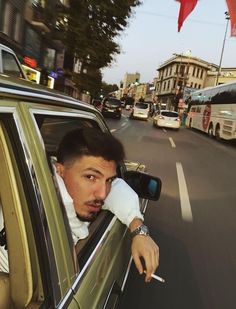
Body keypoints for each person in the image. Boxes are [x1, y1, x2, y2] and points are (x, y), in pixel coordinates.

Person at [55, 127, 159, 282]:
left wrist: (139, 231)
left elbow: (118, 188)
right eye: (90, 177)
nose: (102, 194)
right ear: (59, 171)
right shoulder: (35, 206)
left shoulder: (86, 194)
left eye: (108, 180)